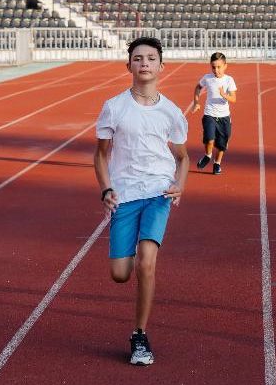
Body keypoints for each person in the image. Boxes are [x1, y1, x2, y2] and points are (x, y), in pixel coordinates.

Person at [94, 37, 189, 365]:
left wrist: (180, 184)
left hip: (159, 192)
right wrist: (106, 189)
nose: (144, 63)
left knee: (147, 263)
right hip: (125, 194)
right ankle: (134, 263)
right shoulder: (114, 107)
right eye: (138, 58)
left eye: (151, 58)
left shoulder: (172, 112)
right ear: (129, 66)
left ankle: (139, 336)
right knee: (121, 273)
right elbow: (101, 156)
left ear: (161, 66)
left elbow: (182, 157)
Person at [190, 52, 237, 175]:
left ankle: (217, 164)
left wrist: (224, 95)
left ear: (225, 65)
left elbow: (234, 99)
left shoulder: (229, 80)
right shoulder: (207, 78)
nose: (216, 70)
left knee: (221, 145)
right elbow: (198, 87)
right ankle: (207, 155)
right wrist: (196, 102)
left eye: (219, 67)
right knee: (209, 139)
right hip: (209, 114)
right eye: (213, 67)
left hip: (224, 117)